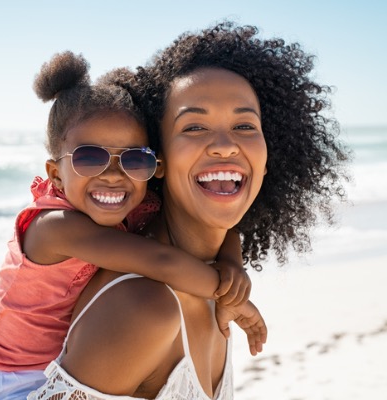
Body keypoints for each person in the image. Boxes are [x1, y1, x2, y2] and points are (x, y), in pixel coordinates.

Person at [29, 22, 350, 400]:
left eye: (245, 124)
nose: (225, 145)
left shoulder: (217, 284)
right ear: (158, 162)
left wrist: (233, 266)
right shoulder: (144, 307)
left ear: (267, 158)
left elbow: (225, 236)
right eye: (195, 126)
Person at [0, 51, 265, 400]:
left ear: (154, 165)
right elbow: (159, 261)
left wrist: (232, 264)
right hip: (8, 377)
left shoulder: (130, 207)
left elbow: (223, 229)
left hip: (48, 363)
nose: (115, 175)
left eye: (135, 159)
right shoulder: (55, 227)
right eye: (90, 157)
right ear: (56, 174)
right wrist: (232, 295)